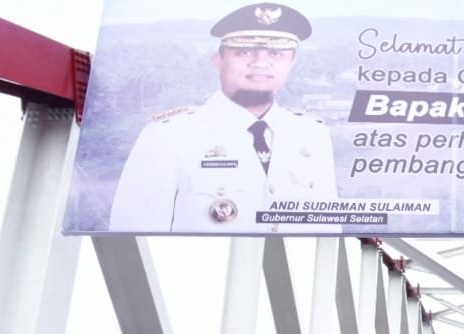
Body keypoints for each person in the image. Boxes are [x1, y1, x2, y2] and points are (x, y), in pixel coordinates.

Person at [108, 3, 336, 233]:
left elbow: (327, 231)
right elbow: (131, 233)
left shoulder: (312, 134)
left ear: (291, 62)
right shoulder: (169, 134)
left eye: (276, 53)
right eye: (244, 52)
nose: (259, 63)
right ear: (218, 60)